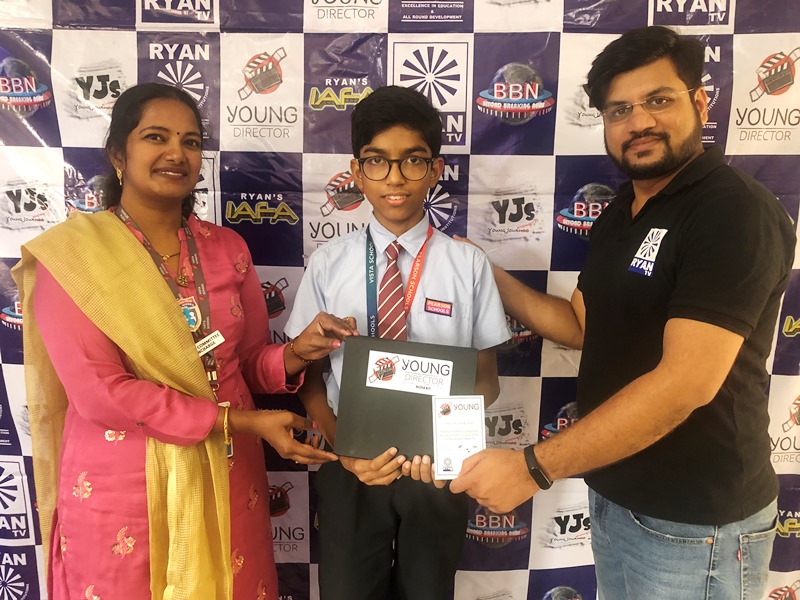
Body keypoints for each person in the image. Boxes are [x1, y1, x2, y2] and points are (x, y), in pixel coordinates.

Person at [449, 25, 796, 599]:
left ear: (699, 102)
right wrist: (488, 274)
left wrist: (532, 467)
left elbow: (686, 382)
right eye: (619, 110)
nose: (639, 122)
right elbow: (582, 327)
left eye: (658, 100)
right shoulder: (620, 212)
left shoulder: (732, 210)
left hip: (696, 523)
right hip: (617, 497)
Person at [13, 83, 357, 600]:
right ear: (118, 154)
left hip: (229, 474)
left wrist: (294, 354)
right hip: (125, 488)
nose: (176, 153)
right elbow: (99, 393)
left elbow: (243, 365)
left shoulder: (227, 248)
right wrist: (242, 423)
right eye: (156, 137)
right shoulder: (75, 258)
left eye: (190, 142)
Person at [285, 85, 511, 599]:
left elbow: (487, 381)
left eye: (413, 161)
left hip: (436, 472)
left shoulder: (467, 264)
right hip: (350, 464)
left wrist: (443, 440)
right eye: (377, 161)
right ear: (357, 171)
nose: (395, 177)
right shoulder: (328, 263)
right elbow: (309, 379)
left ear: (435, 170)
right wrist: (345, 450)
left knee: (427, 590)